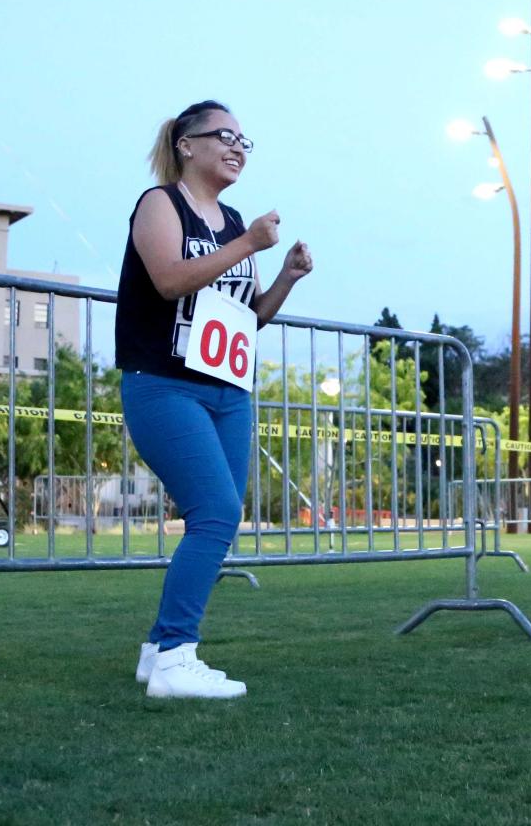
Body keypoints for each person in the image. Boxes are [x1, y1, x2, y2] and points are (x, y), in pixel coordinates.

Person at [116, 100, 312, 699]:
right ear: (185, 144)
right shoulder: (160, 204)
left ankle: (158, 652)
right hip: (164, 384)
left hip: (228, 391)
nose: (237, 147)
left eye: (244, 140)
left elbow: (246, 318)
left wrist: (284, 276)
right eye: (223, 136)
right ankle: (177, 656)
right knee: (217, 513)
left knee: (218, 521)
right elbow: (170, 279)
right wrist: (250, 240)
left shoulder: (231, 222)